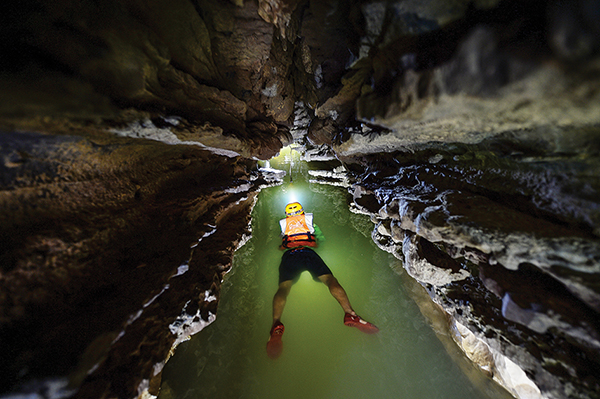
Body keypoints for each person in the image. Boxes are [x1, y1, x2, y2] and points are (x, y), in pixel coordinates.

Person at [266, 201, 378, 359]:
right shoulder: (310, 224)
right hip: (309, 253)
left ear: (286, 216)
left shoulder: (284, 226)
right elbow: (320, 241)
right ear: (303, 213)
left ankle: (276, 322)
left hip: (290, 256)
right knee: (330, 280)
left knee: (283, 288)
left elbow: (282, 246)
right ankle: (349, 313)